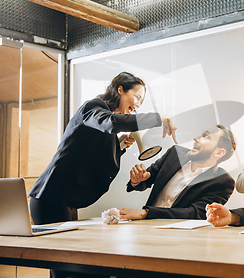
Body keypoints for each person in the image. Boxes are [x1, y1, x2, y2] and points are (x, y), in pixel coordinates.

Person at [29, 72, 178, 226]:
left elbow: (89, 152)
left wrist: (119, 145)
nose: (138, 105)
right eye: (137, 97)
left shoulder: (103, 119)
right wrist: (158, 117)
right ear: (120, 89)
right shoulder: (93, 106)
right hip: (51, 196)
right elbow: (112, 122)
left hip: (66, 198)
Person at [118, 125, 236, 220]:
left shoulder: (223, 182)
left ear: (219, 153)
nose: (196, 138)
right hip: (145, 225)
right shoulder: (174, 154)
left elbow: (195, 213)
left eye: (206, 137)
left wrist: (146, 213)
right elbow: (147, 178)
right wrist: (136, 181)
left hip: (179, 237)